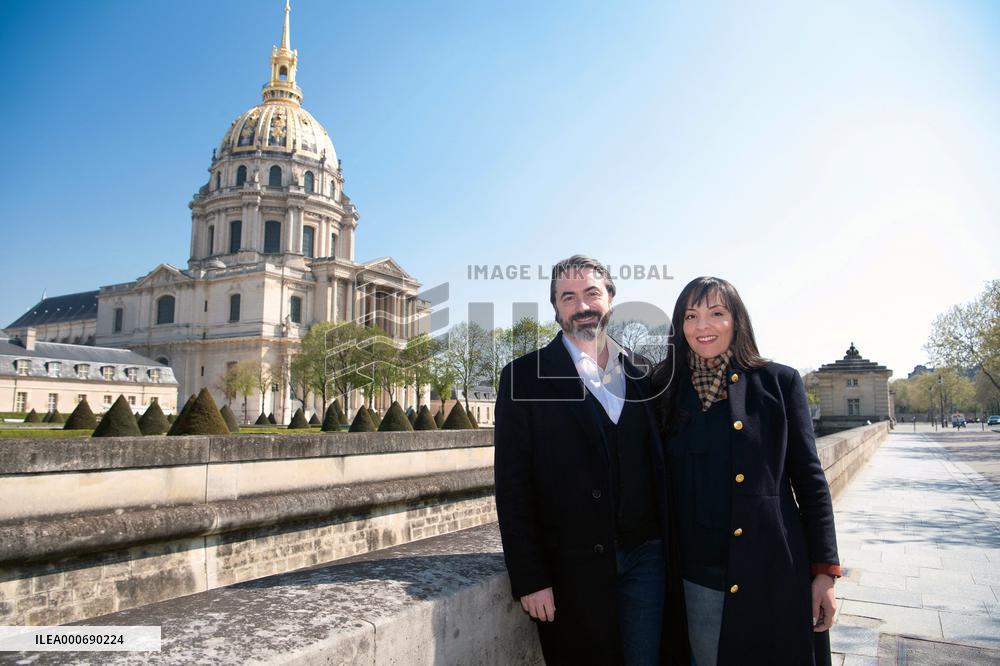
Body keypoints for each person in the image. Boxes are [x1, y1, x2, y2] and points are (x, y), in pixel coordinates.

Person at [494, 255, 687, 665]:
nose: (582, 306)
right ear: (556, 308)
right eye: (568, 297)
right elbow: (513, 487)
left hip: (647, 560)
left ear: (611, 298)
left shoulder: (641, 371)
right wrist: (530, 578)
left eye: (591, 293)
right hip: (571, 570)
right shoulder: (524, 377)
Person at [652, 276, 839, 666]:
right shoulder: (662, 389)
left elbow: (810, 481)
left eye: (716, 313)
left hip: (770, 569)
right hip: (696, 579)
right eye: (691, 316)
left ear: (737, 321)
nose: (703, 326)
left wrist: (825, 573)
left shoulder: (778, 382)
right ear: (679, 325)